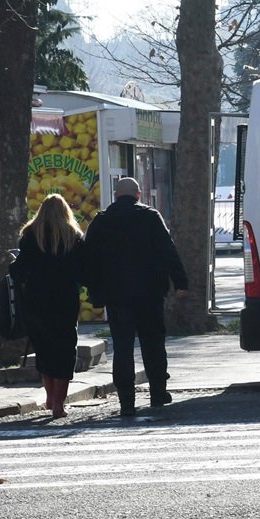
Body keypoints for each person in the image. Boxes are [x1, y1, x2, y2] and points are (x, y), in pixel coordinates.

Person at [83, 177, 189, 416]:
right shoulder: (150, 217)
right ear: (138, 195)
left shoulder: (102, 221)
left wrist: (95, 291)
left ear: (116, 196)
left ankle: (126, 402)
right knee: (153, 344)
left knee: (122, 347)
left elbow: (89, 260)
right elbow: (167, 250)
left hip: (117, 295)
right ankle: (158, 393)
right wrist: (180, 282)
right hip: (149, 293)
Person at [10, 194, 85, 418]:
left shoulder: (30, 236)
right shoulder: (73, 237)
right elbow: (82, 270)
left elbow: (18, 271)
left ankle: (50, 398)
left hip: (36, 301)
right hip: (65, 301)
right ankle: (59, 403)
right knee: (65, 350)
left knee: (44, 350)